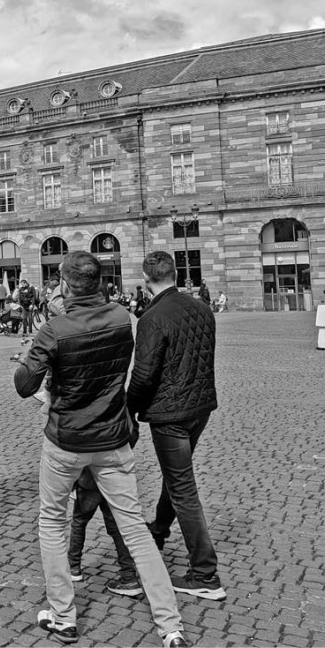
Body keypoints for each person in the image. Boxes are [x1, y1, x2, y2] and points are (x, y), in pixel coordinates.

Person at [14, 250, 190, 647]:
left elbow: (24, 385)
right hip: (112, 438)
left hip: (67, 441)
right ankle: (170, 625)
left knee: (52, 524)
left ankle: (63, 616)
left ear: (64, 285)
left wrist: (31, 354)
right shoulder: (120, 319)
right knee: (135, 529)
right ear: (100, 282)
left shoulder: (54, 329)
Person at [128, 251, 224, 601]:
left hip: (170, 414)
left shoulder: (151, 317)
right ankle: (159, 528)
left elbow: (143, 374)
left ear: (145, 277)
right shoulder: (201, 307)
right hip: (200, 406)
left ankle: (205, 573)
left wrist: (130, 409)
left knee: (183, 487)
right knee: (176, 476)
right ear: (175, 273)